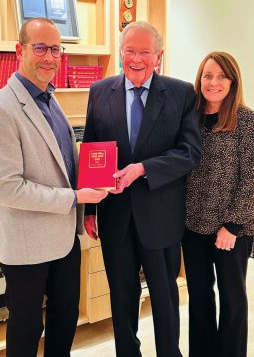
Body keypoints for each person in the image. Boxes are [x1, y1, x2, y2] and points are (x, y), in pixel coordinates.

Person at [0, 18, 108, 357]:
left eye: (55, 49)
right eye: (40, 47)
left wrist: (103, 178)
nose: (49, 57)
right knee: (26, 329)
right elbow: (9, 189)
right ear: (19, 51)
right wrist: (76, 198)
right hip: (27, 245)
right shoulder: (0, 109)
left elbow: (65, 164)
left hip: (65, 238)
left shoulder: (50, 100)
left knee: (65, 319)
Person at [83, 21, 201, 357]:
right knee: (122, 298)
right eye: (130, 51)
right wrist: (90, 209)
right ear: (120, 53)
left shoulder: (181, 94)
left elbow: (189, 152)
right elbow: (92, 151)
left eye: (145, 52)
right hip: (114, 215)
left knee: (164, 299)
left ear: (158, 56)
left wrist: (143, 169)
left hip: (160, 216)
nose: (137, 59)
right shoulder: (100, 91)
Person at [183, 51, 254, 357]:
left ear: (232, 81)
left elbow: (252, 178)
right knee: (200, 298)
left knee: (232, 300)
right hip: (193, 224)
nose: (214, 82)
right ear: (199, 79)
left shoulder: (245, 120)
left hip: (231, 229)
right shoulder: (189, 117)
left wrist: (231, 225)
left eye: (221, 76)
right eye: (208, 75)